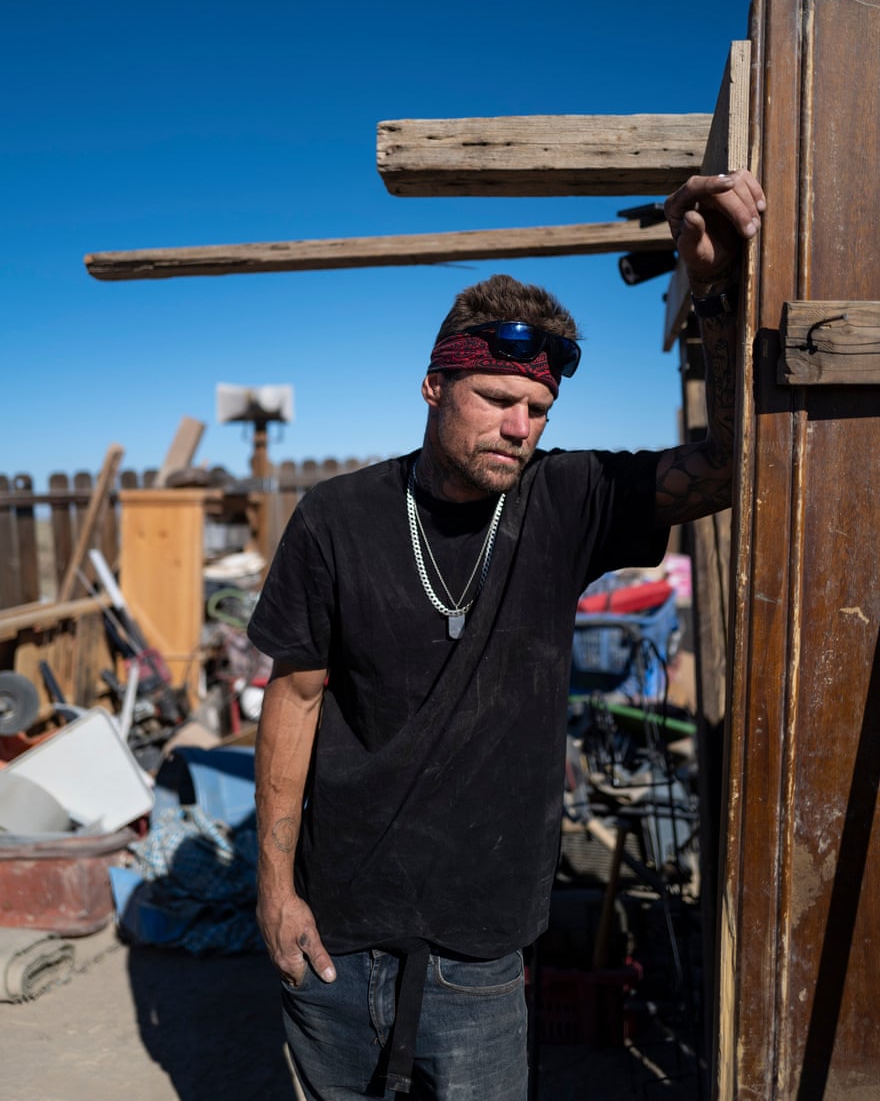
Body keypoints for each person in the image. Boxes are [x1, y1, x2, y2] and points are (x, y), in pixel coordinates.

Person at [247, 169, 766, 1100]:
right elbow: (294, 695)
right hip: (338, 929)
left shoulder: (567, 499)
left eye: (536, 410)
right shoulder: (336, 517)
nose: (519, 426)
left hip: (483, 951)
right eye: (495, 398)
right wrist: (274, 888)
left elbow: (729, 466)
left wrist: (717, 293)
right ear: (433, 383)